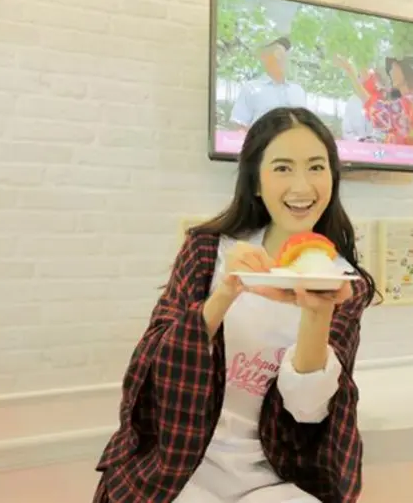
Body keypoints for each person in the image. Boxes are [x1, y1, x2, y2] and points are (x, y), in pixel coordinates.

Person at [92, 107, 378, 503]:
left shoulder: (342, 282)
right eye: (282, 168)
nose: (302, 186)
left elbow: (308, 410)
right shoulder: (209, 251)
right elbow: (154, 369)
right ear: (256, 182)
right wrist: (227, 290)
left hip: (276, 476)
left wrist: (318, 311)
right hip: (182, 465)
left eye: (316, 167)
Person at [230, 37, 308, 130]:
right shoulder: (251, 88)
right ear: (264, 58)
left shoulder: (298, 91)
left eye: (285, 53)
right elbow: (239, 124)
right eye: (278, 53)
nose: (283, 57)